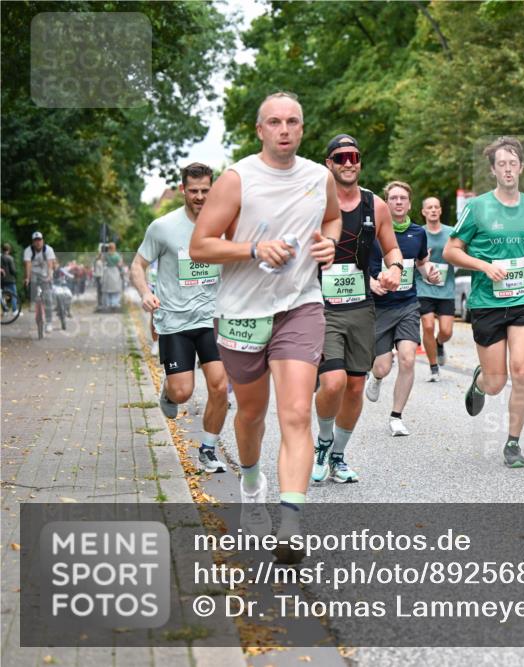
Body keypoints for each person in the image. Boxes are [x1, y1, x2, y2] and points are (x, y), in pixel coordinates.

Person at [189, 92, 340, 563]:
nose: (284, 129)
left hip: (300, 306)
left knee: (295, 413)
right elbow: (200, 246)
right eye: (274, 122)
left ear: (302, 128)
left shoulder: (320, 177)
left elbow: (333, 220)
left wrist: (328, 246)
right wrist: (254, 249)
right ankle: (251, 482)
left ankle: (291, 522)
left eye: (292, 121)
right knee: (251, 413)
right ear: (260, 130)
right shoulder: (237, 180)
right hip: (242, 311)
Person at [443, 136, 524, 469]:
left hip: (523, 298)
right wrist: (484, 266)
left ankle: (513, 443)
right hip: (487, 301)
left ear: (521, 167)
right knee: (496, 381)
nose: (507, 169)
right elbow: (451, 251)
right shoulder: (478, 207)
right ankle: (480, 382)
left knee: (522, 370)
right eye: (501, 163)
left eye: (512, 163)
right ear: (493, 169)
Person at [311, 134, 402, 484]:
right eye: (340, 157)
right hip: (323, 307)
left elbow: (391, 249)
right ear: (329, 164)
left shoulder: (375, 205)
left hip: (361, 307)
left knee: (353, 386)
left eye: (354, 156)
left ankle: (339, 455)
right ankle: (322, 443)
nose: (348, 162)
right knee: (332, 383)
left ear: (359, 163)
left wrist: (394, 269)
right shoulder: (316, 203)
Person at [130, 162, 230, 474]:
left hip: (212, 318)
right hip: (174, 320)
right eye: (194, 191)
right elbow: (137, 266)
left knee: (220, 384)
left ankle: (208, 449)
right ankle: (169, 391)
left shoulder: (225, 226)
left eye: (205, 190)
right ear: (183, 190)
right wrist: (146, 293)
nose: (200, 196)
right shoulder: (163, 227)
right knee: (182, 391)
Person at [364, 181, 441, 436]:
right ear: (386, 202)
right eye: (393, 198)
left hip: (407, 303)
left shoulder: (418, 233)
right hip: (379, 306)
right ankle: (375, 377)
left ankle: (396, 416)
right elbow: (358, 263)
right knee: (383, 367)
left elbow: (420, 263)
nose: (398, 202)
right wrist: (371, 282)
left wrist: (430, 273)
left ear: (409, 204)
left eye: (403, 198)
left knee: (408, 358)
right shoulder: (373, 230)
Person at [415, 196, 456, 382]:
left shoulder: (451, 232)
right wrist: (422, 260)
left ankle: (439, 343)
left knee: (446, 331)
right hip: (424, 287)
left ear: (440, 211)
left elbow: (460, 253)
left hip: (445, 287)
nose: (432, 210)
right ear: (423, 211)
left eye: (436, 207)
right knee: (428, 325)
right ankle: (433, 368)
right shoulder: (418, 233)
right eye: (429, 207)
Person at [23, 231, 57, 332]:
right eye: (36, 240)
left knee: (48, 299)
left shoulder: (48, 250)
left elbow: (50, 264)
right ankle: (34, 303)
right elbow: (28, 265)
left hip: (45, 274)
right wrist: (27, 278)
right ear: (33, 242)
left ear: (43, 240)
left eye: (40, 240)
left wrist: (50, 276)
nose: (38, 242)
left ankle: (49, 322)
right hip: (34, 274)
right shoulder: (28, 250)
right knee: (31, 286)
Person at [102, 242, 124, 311]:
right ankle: (114, 303)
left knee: (108, 289)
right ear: (114, 248)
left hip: (108, 271)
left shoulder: (106, 255)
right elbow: (120, 264)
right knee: (115, 289)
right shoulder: (117, 255)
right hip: (115, 271)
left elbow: (103, 261)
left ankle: (108, 303)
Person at [1, 243, 18, 310]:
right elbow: (13, 270)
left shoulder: (0, 257)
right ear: (9, 249)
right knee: (14, 295)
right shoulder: (10, 258)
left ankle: (5, 310)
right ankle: (15, 310)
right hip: (10, 279)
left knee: (3, 295)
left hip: (2, 279)